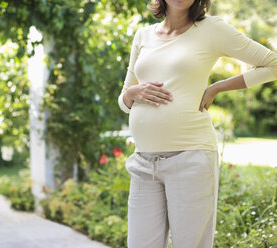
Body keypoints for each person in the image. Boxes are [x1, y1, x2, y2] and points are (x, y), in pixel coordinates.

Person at [117, 0, 277, 247]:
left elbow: (272, 64)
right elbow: (125, 97)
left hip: (190, 159)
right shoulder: (143, 35)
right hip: (143, 163)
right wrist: (131, 95)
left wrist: (217, 87)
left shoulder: (212, 29)